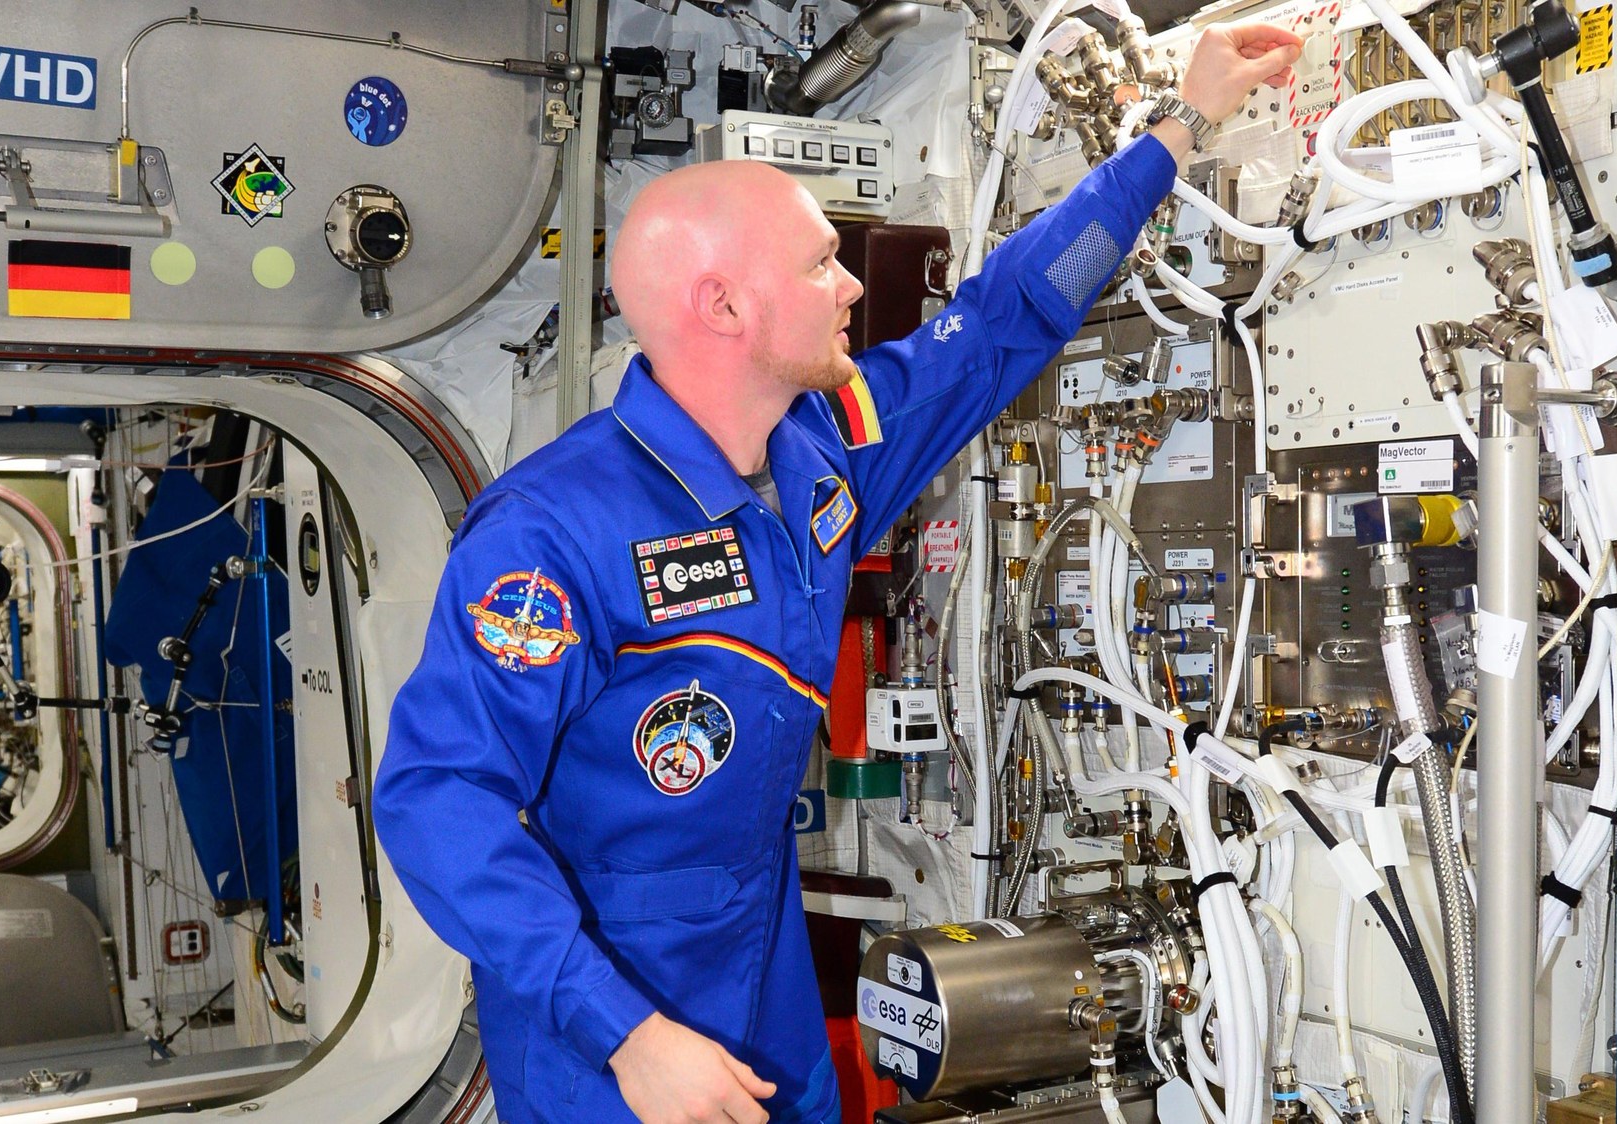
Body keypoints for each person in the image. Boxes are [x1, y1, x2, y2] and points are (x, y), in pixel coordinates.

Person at [372, 20, 1302, 1124]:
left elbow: (997, 322)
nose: (850, 287)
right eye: (818, 265)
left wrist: (1177, 131)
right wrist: (623, 1032)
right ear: (722, 307)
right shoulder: (547, 535)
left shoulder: (822, 448)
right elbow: (437, 798)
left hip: (757, 965)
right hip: (609, 1015)